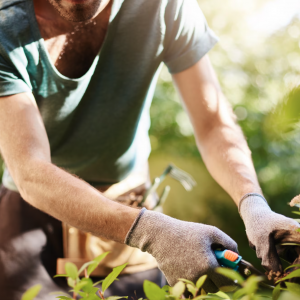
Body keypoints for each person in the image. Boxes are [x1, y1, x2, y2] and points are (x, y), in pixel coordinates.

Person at [0, 0, 299, 299]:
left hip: (130, 205)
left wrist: (253, 204)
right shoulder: (5, 26)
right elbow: (30, 170)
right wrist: (151, 232)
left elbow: (212, 123)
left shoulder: (163, 6)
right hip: (33, 219)